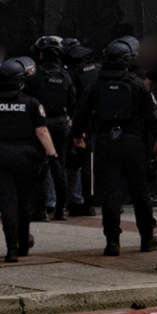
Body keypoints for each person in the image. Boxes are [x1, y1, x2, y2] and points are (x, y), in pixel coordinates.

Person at [72, 38, 157, 256]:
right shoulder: (137, 85)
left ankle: (112, 241)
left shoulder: (95, 84)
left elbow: (81, 113)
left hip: (105, 143)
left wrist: (77, 135)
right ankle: (146, 237)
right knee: (140, 192)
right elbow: (153, 115)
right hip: (134, 144)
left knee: (111, 194)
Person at [0, 58, 59, 262]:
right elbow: (42, 132)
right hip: (26, 157)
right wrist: (52, 155)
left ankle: (10, 249)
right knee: (24, 203)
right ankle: (23, 244)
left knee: (8, 204)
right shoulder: (31, 103)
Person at [26, 35, 77, 221]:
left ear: (41, 54)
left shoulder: (36, 77)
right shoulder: (65, 76)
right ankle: (61, 210)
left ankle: (40, 211)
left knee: (41, 166)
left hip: (41, 125)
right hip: (61, 124)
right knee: (59, 167)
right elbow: (72, 104)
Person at [62, 37, 101, 216]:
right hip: (103, 121)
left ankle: (86, 203)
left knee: (83, 163)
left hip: (84, 122)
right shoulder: (98, 69)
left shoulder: (72, 74)